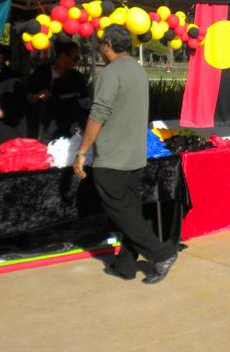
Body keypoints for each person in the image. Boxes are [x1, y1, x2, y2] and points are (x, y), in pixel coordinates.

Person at [73, 26, 178, 284]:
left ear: (108, 43)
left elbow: (98, 113)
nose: (99, 47)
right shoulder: (137, 70)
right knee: (129, 211)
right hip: (134, 154)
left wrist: (82, 151)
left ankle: (161, 253)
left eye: (100, 43)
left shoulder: (110, 73)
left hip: (113, 156)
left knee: (121, 211)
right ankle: (126, 266)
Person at [26, 40, 90, 142]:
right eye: (75, 58)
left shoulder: (77, 77)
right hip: (42, 127)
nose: (76, 62)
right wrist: (38, 96)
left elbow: (86, 103)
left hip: (69, 130)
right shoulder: (41, 72)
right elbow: (28, 97)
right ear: (63, 55)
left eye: (78, 59)